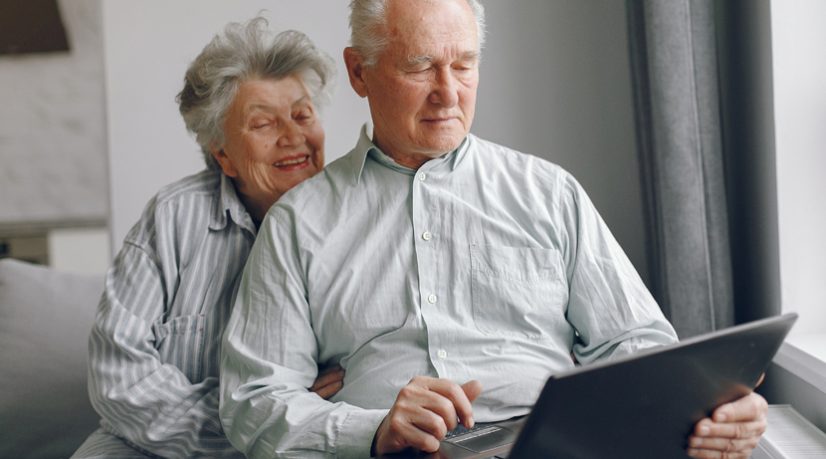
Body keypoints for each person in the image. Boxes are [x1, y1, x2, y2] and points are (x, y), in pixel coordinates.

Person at [219, 1, 768, 458]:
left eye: (463, 65)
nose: (448, 92)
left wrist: (706, 402)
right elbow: (253, 400)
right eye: (419, 66)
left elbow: (636, 343)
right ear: (360, 71)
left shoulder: (548, 193)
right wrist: (374, 431)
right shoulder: (299, 222)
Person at [72, 18, 344, 458]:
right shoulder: (172, 217)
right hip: (143, 448)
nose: (293, 136)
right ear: (223, 155)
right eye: (263, 124)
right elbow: (119, 379)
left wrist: (284, 421)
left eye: (302, 114)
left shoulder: (356, 224)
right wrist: (261, 421)